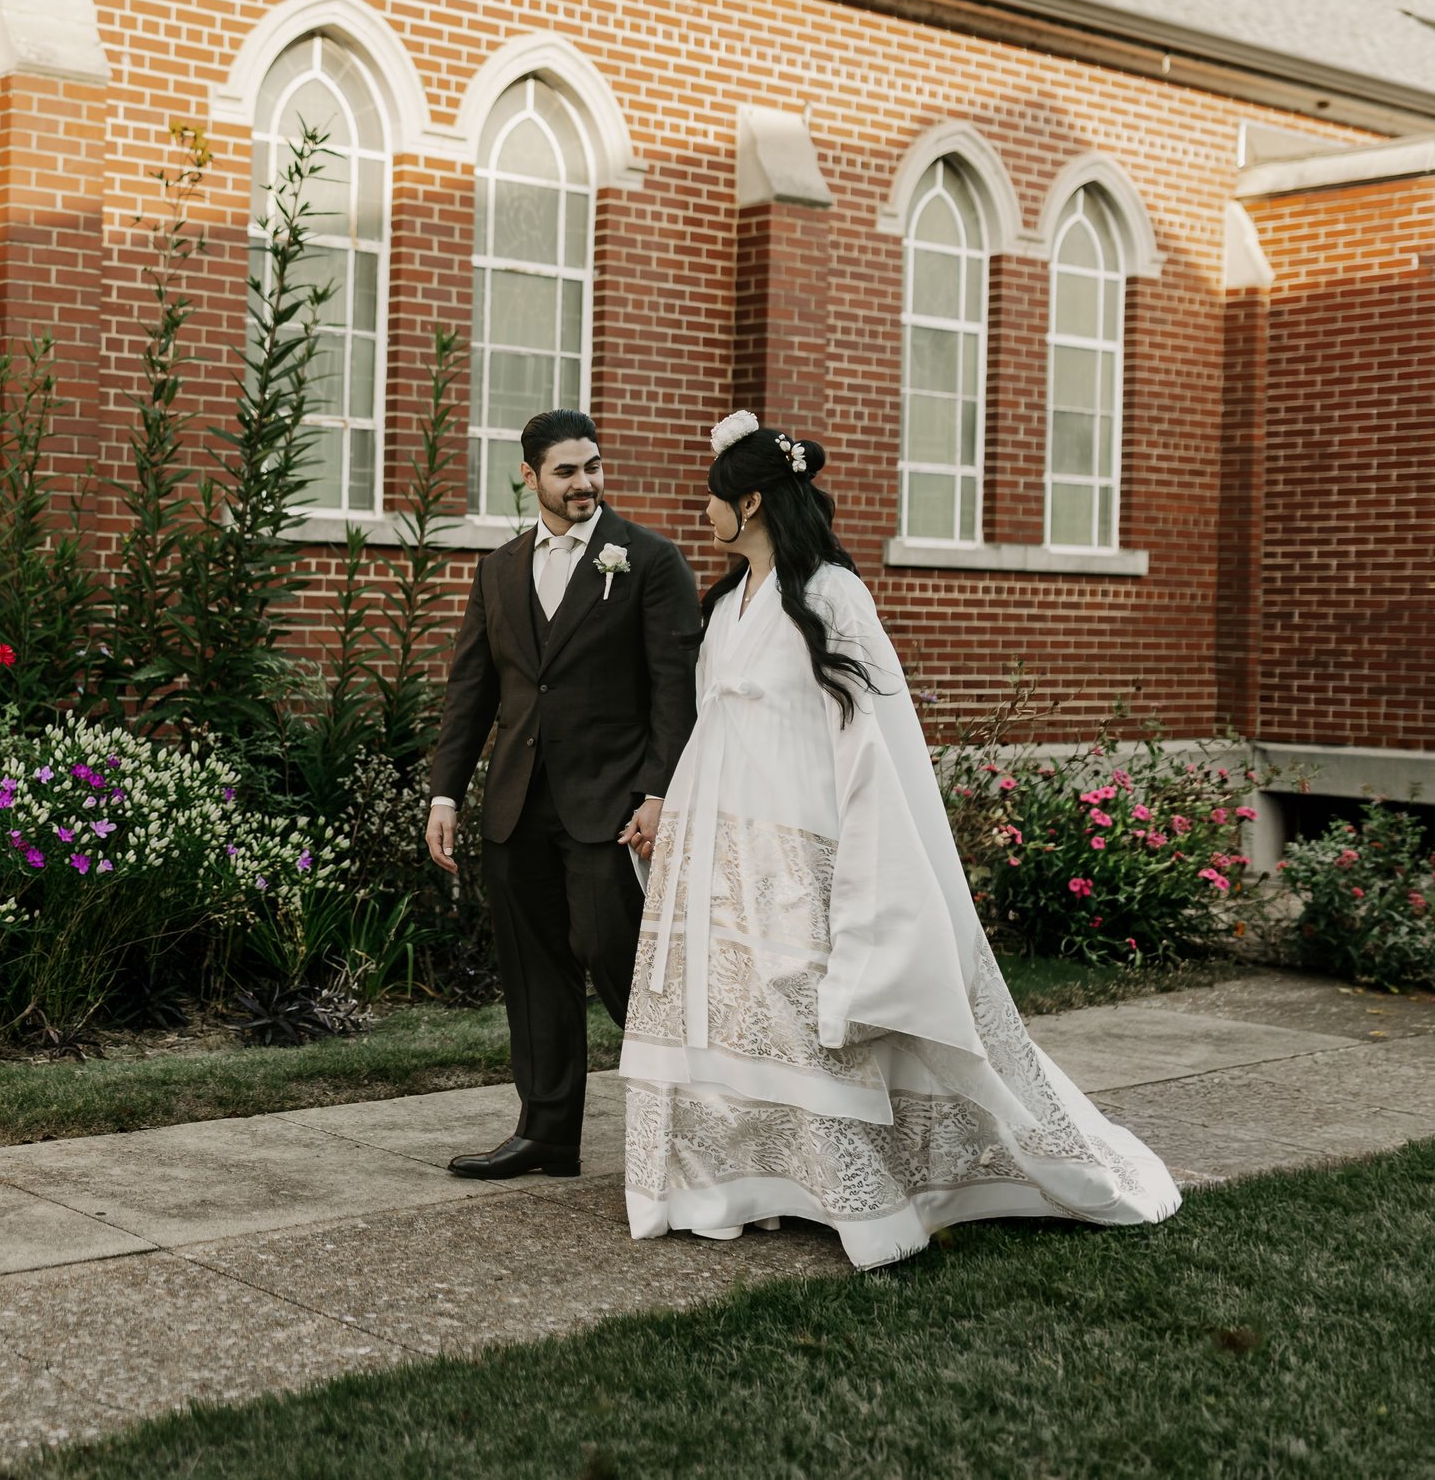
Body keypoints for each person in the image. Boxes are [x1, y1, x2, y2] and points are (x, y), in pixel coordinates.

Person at [621, 411, 1180, 1268]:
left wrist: (868, 859)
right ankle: (732, 1185)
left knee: (807, 1018)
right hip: (718, 852)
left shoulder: (834, 598)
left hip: (802, 852)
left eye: (716, 499)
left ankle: (864, 1198)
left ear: (755, 502)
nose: (706, 513)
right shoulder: (726, 601)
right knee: (725, 1016)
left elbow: (874, 738)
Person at [426, 408, 702, 1180]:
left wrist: (657, 792)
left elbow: (674, 692)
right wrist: (445, 793)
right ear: (530, 476)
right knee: (533, 967)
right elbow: (471, 691)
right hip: (518, 804)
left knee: (618, 956)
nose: (585, 483)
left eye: (593, 466)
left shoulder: (649, 560)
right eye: (566, 471)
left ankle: (701, 1116)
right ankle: (546, 1132)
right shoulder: (499, 569)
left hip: (610, 807)